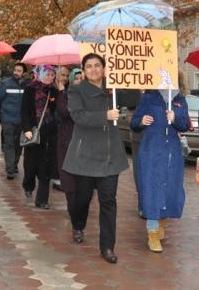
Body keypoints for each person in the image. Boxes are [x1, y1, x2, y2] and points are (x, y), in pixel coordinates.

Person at [63, 53, 129, 264]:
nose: (93, 69)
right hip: (86, 155)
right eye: (89, 66)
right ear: (83, 70)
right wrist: (105, 116)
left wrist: (132, 88)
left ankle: (108, 247)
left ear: (104, 68)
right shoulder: (76, 90)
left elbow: (131, 103)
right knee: (82, 198)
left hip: (110, 156)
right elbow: (78, 116)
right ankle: (78, 223)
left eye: (97, 65)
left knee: (108, 201)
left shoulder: (114, 88)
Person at [131, 71, 190, 253]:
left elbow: (185, 124)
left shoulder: (180, 99)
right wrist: (141, 121)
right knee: (151, 188)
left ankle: (161, 222)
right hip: (151, 150)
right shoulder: (149, 96)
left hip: (171, 151)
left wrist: (176, 119)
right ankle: (152, 233)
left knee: (170, 189)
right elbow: (134, 122)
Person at [21, 65, 59, 209]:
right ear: (40, 74)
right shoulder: (30, 89)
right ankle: (28, 185)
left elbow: (57, 110)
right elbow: (24, 111)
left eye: (52, 75)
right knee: (30, 166)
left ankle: (42, 200)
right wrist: (26, 129)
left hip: (49, 133)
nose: (50, 77)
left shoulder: (54, 90)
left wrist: (59, 93)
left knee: (46, 166)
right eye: (47, 74)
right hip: (33, 130)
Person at [0, 62, 29, 179]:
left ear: (24, 73)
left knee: (19, 145)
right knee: (9, 143)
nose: (16, 72)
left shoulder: (28, 85)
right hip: (7, 119)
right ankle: (10, 169)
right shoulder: (6, 83)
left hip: (22, 120)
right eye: (15, 70)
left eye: (19, 71)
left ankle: (13, 165)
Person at [55, 66, 78, 219]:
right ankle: (73, 208)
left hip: (84, 143)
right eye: (76, 78)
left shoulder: (87, 96)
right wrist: (62, 92)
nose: (79, 81)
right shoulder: (65, 93)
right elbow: (64, 112)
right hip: (66, 140)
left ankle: (79, 207)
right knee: (68, 178)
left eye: (82, 78)